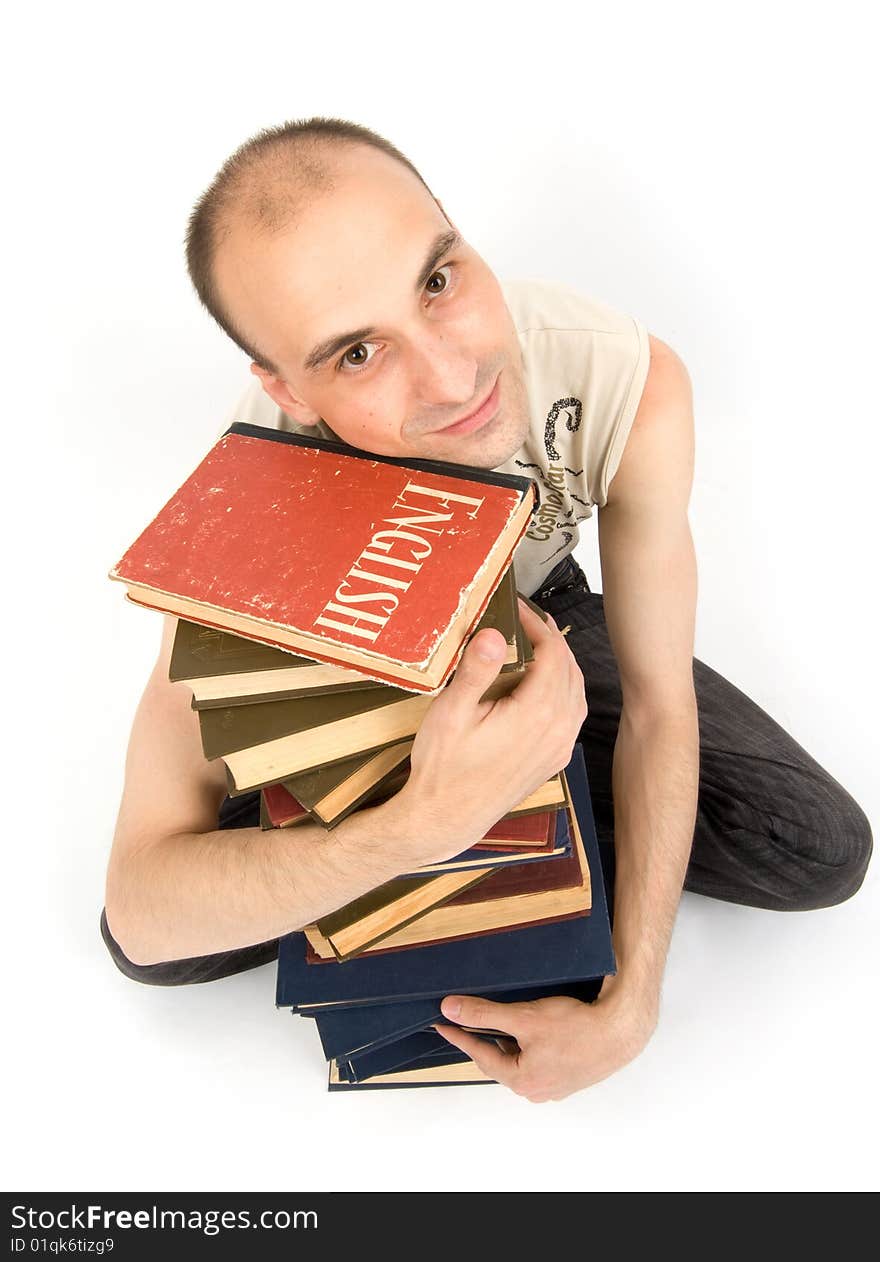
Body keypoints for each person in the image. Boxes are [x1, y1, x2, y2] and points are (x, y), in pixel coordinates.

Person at [101, 117, 872, 1103]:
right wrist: (417, 827)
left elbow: (658, 704)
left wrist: (628, 1009)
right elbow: (139, 915)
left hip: (537, 615)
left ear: (462, 236)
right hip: (349, 663)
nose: (452, 374)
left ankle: (524, 791)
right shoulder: (250, 502)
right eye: (355, 353)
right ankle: (475, 805)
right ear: (285, 389)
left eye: (436, 279)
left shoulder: (626, 379)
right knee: (177, 952)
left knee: (813, 845)